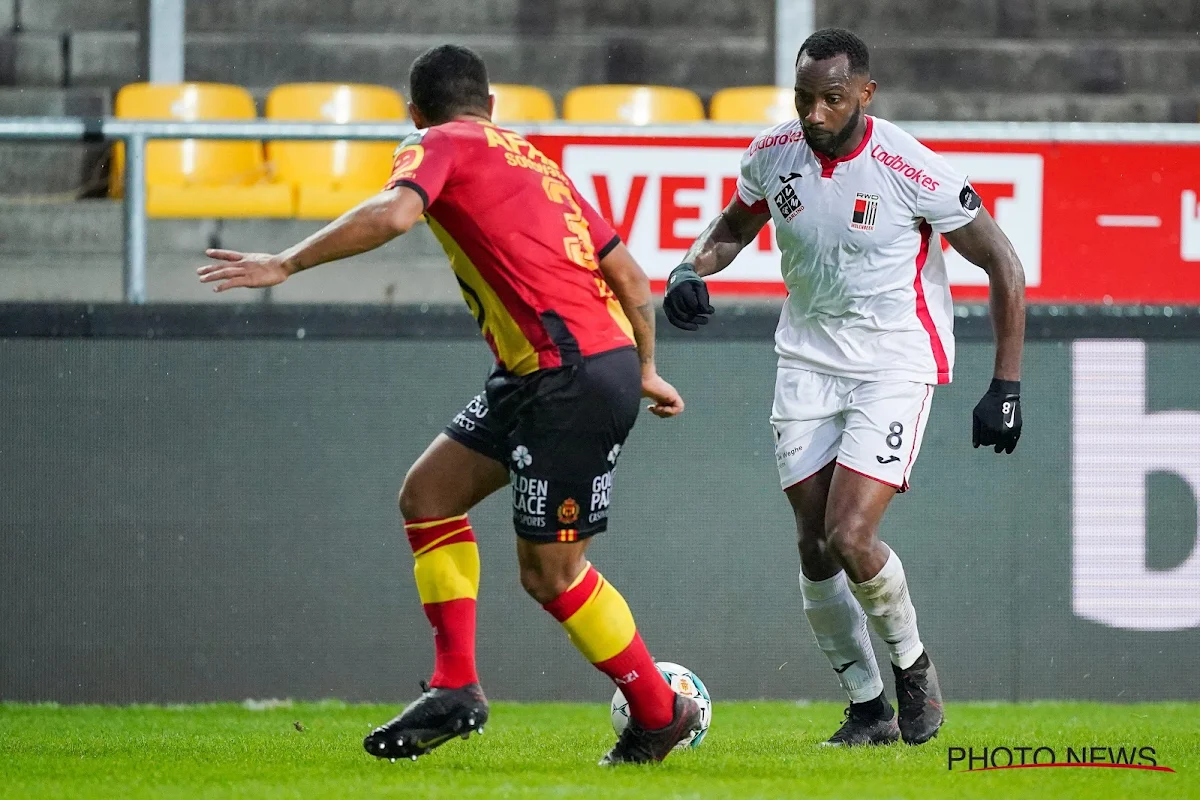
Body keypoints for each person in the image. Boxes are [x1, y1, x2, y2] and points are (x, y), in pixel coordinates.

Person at [197, 44, 700, 765]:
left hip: (570, 375)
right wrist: (645, 366)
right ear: (492, 104)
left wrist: (285, 262)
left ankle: (660, 712)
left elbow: (397, 214)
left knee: (550, 574)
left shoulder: (439, 142)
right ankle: (456, 686)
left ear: (414, 113)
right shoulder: (536, 160)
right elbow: (626, 270)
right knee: (429, 496)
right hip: (555, 371)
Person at [663, 27, 1025, 747]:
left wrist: (1005, 383)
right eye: (804, 98)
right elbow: (732, 228)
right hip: (806, 359)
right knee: (814, 546)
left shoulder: (908, 165)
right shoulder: (773, 155)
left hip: (895, 362)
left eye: (832, 98)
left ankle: (913, 666)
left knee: (850, 533)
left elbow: (1004, 264)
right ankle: (866, 709)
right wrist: (689, 269)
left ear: (865, 92)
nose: (815, 114)